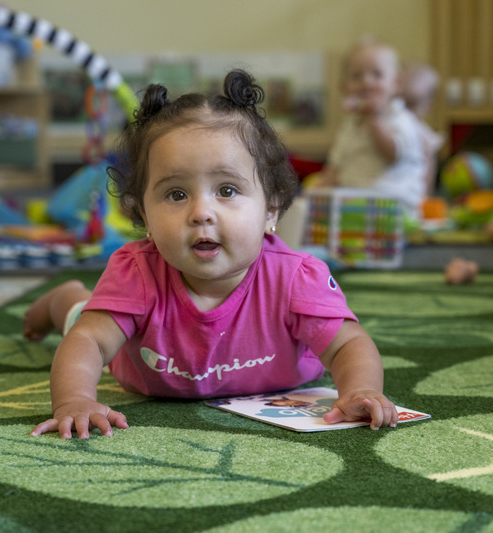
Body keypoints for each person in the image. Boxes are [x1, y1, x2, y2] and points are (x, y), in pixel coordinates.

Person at [25, 69, 398, 440]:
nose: (201, 212)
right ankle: (63, 298)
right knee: (80, 318)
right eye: (176, 194)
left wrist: (358, 389)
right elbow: (88, 342)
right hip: (140, 372)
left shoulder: (297, 279)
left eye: (227, 190)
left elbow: (349, 343)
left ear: (271, 209)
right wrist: (74, 400)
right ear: (144, 216)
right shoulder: (137, 273)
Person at [318, 37, 427, 220]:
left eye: (377, 75)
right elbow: (335, 166)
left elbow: (392, 154)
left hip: (394, 205)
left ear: (396, 84)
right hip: (356, 204)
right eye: (356, 76)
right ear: (344, 87)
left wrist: (374, 119)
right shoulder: (349, 126)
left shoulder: (400, 119)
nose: (366, 82)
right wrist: (320, 192)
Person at [400, 60, 443, 197]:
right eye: (401, 103)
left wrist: (423, 197)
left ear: (429, 106)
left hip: (412, 193)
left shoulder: (422, 134)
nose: (405, 113)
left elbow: (428, 168)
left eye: (412, 105)